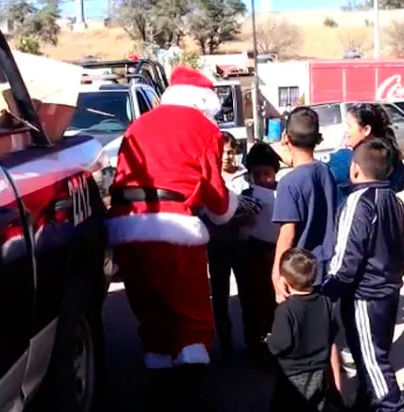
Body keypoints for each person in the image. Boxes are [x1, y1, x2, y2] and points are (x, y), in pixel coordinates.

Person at [106, 66, 262, 410]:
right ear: (204, 101)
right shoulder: (204, 128)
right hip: (172, 227)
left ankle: (160, 387)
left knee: (151, 312)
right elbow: (215, 190)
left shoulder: (140, 123)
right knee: (191, 313)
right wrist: (231, 208)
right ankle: (190, 394)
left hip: (125, 225)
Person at [322, 138, 404, 412]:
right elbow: (402, 251)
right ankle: (366, 401)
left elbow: (347, 256)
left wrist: (329, 290)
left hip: (364, 295)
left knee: (373, 359)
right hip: (389, 290)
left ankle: (391, 406)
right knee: (371, 353)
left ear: (355, 169)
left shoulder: (357, 202)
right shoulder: (394, 201)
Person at [271, 107, 337, 304]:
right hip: (326, 266)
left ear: (285, 137)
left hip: (299, 272)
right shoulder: (326, 171)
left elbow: (287, 233)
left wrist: (277, 273)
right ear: (317, 139)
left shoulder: (289, 183)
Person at [267, 248, 337, 412]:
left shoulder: (286, 310)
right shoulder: (325, 302)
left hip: (293, 375)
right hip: (320, 372)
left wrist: (270, 340)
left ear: (284, 281)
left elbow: (281, 343)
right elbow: (332, 331)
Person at [202, 131, 250, 361]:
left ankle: (253, 339)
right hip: (218, 246)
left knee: (247, 294)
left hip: (241, 245)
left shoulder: (245, 178)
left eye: (230, 152)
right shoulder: (210, 181)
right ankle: (226, 342)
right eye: (222, 152)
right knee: (219, 297)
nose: (227, 157)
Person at [238, 142, 283, 365]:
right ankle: (256, 348)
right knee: (253, 303)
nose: (262, 179)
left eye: (266, 173)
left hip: (278, 253)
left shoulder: (284, 194)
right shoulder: (246, 196)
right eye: (256, 174)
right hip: (252, 253)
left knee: (275, 304)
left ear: (275, 172)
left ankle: (277, 346)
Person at [325, 103, 404, 205]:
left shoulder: (348, 159)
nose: (346, 131)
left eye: (349, 126)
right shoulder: (392, 157)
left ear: (366, 130)